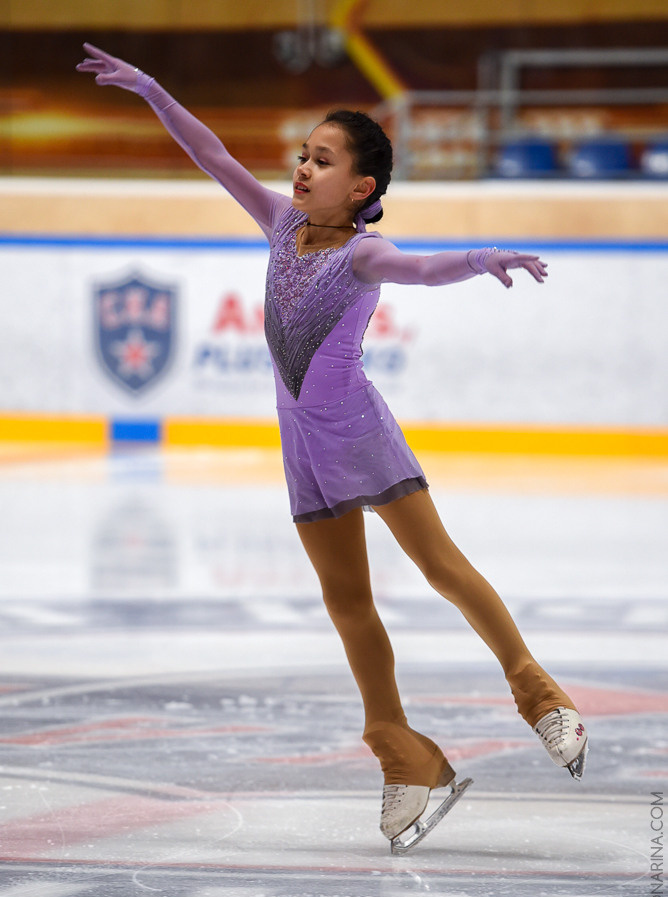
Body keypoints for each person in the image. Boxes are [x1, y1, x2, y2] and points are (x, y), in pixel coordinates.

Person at [77, 43, 589, 853]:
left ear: (361, 189)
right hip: (302, 446)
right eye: (303, 155)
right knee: (347, 602)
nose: (302, 168)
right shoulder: (280, 225)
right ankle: (402, 752)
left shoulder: (363, 255)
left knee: (440, 567)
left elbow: (425, 269)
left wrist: (481, 256)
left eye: (323, 160)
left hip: (358, 432)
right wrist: (151, 89)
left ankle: (538, 691)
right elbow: (214, 156)